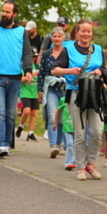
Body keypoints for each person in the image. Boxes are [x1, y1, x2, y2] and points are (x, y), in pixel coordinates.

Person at [52, 19, 106, 181]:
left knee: (97, 131)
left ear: (92, 33)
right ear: (76, 32)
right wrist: (70, 70)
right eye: (83, 31)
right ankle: (81, 167)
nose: (86, 34)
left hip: (95, 94)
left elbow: (104, 67)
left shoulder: (98, 49)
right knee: (80, 133)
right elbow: (54, 70)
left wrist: (100, 71)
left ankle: (91, 163)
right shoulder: (67, 50)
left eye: (88, 31)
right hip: (76, 94)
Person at [0, 1, 33, 158]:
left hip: (14, 77)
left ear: (14, 14)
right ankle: (1, 145)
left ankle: (7, 142)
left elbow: (27, 53)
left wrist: (28, 70)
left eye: (7, 12)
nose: (4, 14)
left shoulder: (21, 31)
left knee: (10, 113)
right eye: (3, 11)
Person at [39, 27, 67, 158]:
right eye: (54, 36)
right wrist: (39, 90)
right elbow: (42, 73)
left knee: (61, 118)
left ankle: (59, 143)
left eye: (59, 36)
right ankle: (53, 145)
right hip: (51, 88)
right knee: (52, 116)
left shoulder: (66, 53)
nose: (56, 38)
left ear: (63, 38)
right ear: (51, 38)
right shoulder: (46, 54)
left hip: (64, 88)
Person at [18, 68, 40, 141]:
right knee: (27, 111)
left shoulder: (37, 66)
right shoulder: (23, 67)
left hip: (34, 93)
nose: (33, 58)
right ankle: (21, 125)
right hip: (25, 92)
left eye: (35, 57)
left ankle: (31, 133)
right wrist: (31, 76)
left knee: (33, 113)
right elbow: (20, 79)